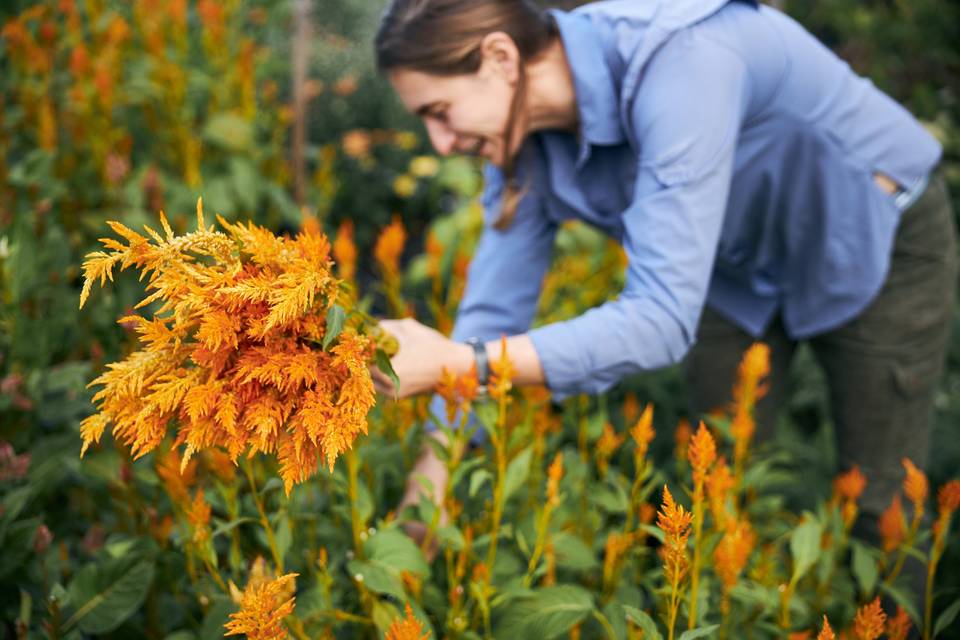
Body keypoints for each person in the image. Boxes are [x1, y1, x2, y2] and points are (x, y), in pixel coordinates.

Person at [369, 0, 956, 570]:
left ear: (500, 56)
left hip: (873, 237)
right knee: (711, 491)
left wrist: (463, 364)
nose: (440, 144)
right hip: (727, 268)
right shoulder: (522, 141)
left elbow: (660, 320)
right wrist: (431, 481)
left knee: (882, 506)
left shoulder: (679, 60)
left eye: (439, 111)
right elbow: (493, 310)